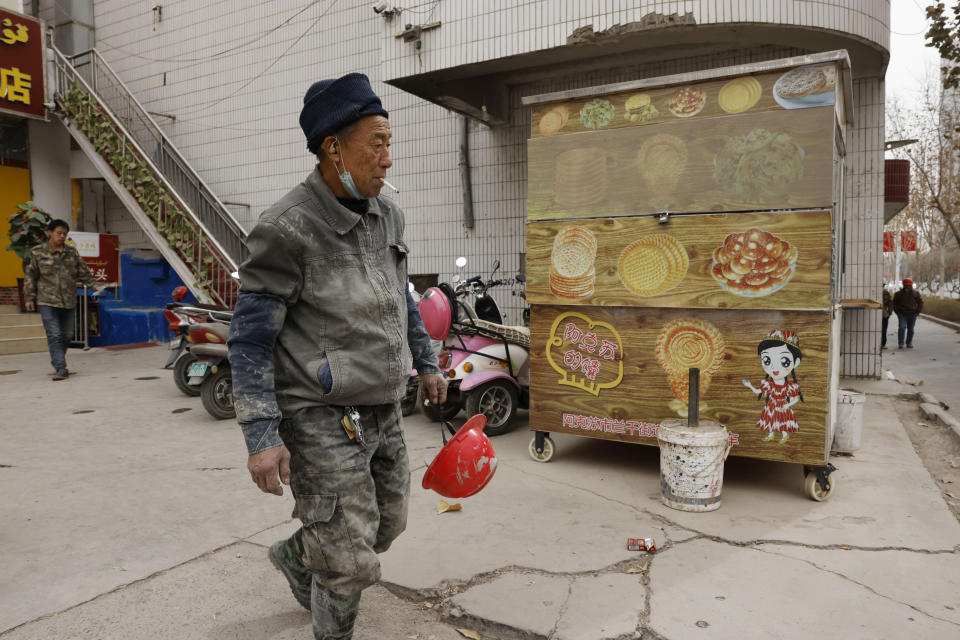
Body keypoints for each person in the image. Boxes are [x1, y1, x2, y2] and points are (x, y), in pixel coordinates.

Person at [227, 72, 447, 640]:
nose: (387, 159)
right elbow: (250, 340)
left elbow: (399, 298)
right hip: (318, 415)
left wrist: (425, 361)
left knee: (386, 524)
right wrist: (260, 435)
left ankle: (299, 556)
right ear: (333, 147)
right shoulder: (286, 229)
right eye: (376, 143)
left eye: (388, 144)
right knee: (350, 563)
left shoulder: (386, 216)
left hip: (380, 404)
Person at [22, 218, 102, 380]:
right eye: (59, 233)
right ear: (50, 232)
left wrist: (95, 286)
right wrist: (29, 296)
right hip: (47, 301)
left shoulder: (71, 252)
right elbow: (30, 275)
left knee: (67, 335)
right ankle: (61, 368)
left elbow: (83, 271)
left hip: (68, 300)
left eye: (64, 234)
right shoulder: (38, 252)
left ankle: (57, 359)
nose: (62, 236)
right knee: (54, 334)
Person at [741, 329, 804, 444]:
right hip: (772, 404)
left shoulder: (790, 386)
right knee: (771, 420)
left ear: (795, 363)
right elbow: (757, 391)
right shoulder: (768, 384)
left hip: (782, 404)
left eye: (784, 361)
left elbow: (796, 399)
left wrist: (787, 405)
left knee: (782, 421)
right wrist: (750, 385)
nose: (774, 368)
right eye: (767, 360)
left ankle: (785, 436)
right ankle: (771, 434)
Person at [893, 277, 923, 348]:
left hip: (912, 314)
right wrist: (897, 311)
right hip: (902, 314)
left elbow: (920, 303)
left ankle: (909, 342)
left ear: (911, 285)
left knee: (911, 329)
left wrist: (917, 312)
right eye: (906, 285)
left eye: (909, 285)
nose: (907, 286)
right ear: (903, 285)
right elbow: (894, 303)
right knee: (902, 327)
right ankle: (901, 343)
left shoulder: (916, 293)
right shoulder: (898, 294)